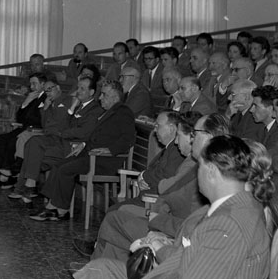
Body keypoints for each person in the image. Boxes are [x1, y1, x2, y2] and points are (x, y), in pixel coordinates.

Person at [73, 134, 274, 279]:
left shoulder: (227, 224)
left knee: (99, 271)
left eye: (200, 166)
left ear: (211, 171)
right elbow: (194, 258)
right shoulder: (239, 206)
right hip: (173, 262)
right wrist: (160, 246)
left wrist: (159, 250)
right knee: (99, 268)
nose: (197, 173)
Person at [80, 113, 229, 261]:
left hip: (176, 237)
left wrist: (158, 223)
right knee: (114, 233)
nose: (190, 139)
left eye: (194, 134)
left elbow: (193, 222)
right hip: (167, 224)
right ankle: (102, 268)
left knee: (114, 221)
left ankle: (99, 266)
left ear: (209, 137)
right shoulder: (196, 166)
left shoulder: (208, 173)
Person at [28, 80, 135, 221]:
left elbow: (128, 138)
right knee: (59, 164)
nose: (100, 98)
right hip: (91, 155)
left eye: (104, 95)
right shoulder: (109, 111)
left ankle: (60, 209)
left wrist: (109, 150)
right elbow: (96, 135)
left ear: (115, 97)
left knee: (65, 169)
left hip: (104, 160)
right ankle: (53, 205)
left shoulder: (123, 112)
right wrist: (83, 144)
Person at [8, 76, 102, 203]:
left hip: (71, 146)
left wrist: (63, 130)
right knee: (32, 150)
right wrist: (48, 109)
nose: (78, 91)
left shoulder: (93, 109)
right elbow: (49, 125)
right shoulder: (78, 104)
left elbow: (82, 131)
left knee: (33, 146)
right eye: (78, 87)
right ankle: (29, 187)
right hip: (59, 141)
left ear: (91, 92)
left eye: (82, 88)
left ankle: (25, 187)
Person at [0, 72, 47, 187]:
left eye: (34, 83)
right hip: (23, 128)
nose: (32, 87)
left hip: (34, 131)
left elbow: (39, 119)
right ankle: (4, 175)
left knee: (12, 142)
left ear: (43, 84)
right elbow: (19, 117)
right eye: (31, 84)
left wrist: (28, 109)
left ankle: (7, 175)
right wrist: (26, 102)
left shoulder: (46, 98)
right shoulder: (32, 97)